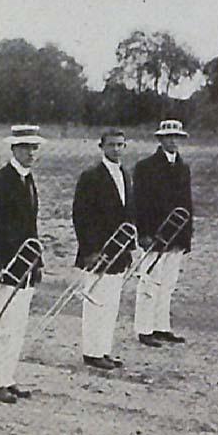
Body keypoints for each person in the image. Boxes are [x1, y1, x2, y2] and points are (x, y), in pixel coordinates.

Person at [0, 125, 45, 404]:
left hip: (25, 266)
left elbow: (31, 227)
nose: (31, 153)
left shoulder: (28, 181)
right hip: (5, 267)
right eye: (26, 147)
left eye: (34, 148)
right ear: (14, 149)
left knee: (17, 328)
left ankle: (8, 377)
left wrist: (37, 262)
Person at [72, 129, 134, 370]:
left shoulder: (126, 175)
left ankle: (104, 350)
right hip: (98, 252)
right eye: (111, 145)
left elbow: (129, 212)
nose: (116, 149)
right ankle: (91, 352)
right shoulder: (90, 176)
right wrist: (90, 250)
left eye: (120, 145)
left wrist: (129, 245)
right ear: (102, 147)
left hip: (119, 252)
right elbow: (80, 216)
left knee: (111, 305)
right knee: (95, 303)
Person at [133, 119, 193, 347]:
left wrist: (186, 238)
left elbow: (187, 205)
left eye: (177, 137)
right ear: (160, 139)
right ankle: (144, 328)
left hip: (176, 236)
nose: (173, 141)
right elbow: (138, 204)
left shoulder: (183, 167)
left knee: (168, 283)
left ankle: (161, 326)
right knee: (149, 282)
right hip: (154, 236)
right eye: (169, 137)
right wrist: (144, 234)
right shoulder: (145, 167)